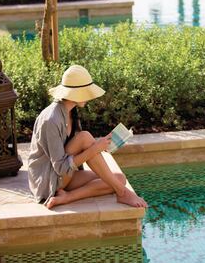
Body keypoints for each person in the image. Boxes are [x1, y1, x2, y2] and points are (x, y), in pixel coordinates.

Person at [28, 64, 147, 210]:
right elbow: (60, 167)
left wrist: (99, 146)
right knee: (85, 138)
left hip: (64, 175)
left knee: (119, 179)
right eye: (86, 91)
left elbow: (74, 152)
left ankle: (66, 198)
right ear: (75, 93)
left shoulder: (71, 112)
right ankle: (123, 193)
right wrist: (94, 148)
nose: (90, 96)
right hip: (47, 180)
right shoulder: (51, 119)